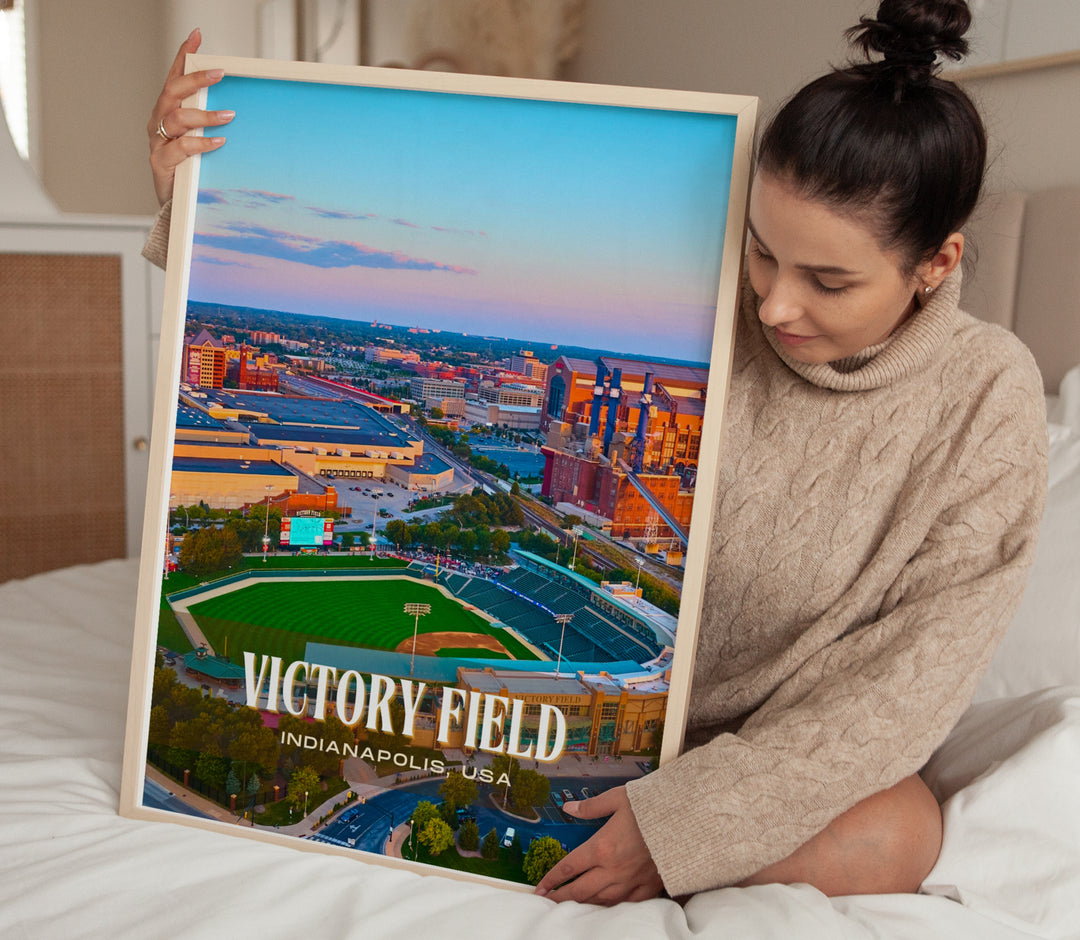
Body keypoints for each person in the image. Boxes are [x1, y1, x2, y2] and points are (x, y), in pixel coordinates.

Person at [144, 0, 1047, 906]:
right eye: (764, 254)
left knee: (900, 834)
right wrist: (190, 203)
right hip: (607, 717)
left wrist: (688, 825)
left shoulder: (986, 397)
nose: (773, 306)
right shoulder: (708, 309)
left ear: (936, 263)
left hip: (775, 759)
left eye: (829, 280)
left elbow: (906, 692)